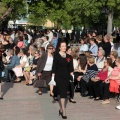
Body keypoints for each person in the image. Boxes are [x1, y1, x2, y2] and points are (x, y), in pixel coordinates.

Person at [52, 41, 74, 119]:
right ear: (59, 47)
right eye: (62, 46)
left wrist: (72, 76)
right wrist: (53, 76)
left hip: (66, 77)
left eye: (65, 46)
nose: (64, 47)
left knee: (64, 93)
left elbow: (71, 68)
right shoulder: (56, 55)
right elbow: (54, 67)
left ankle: (61, 109)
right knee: (62, 93)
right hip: (59, 77)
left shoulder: (69, 57)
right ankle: (64, 110)